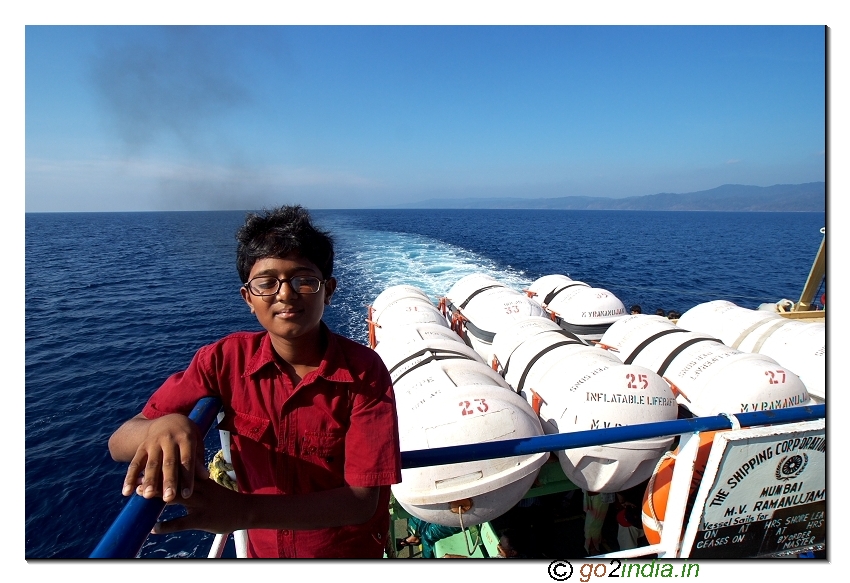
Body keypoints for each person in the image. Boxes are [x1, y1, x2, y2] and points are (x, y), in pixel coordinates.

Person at [108, 205, 402, 558]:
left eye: (303, 280)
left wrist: (242, 511)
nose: (285, 293)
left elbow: (360, 501)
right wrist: (165, 426)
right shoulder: (223, 361)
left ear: (328, 290)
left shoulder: (364, 373)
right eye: (267, 283)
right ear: (248, 297)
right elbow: (119, 441)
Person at [397, 516, 462, 558]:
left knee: (428, 535)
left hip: (459, 516)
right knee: (419, 516)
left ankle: (414, 537)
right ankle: (413, 537)